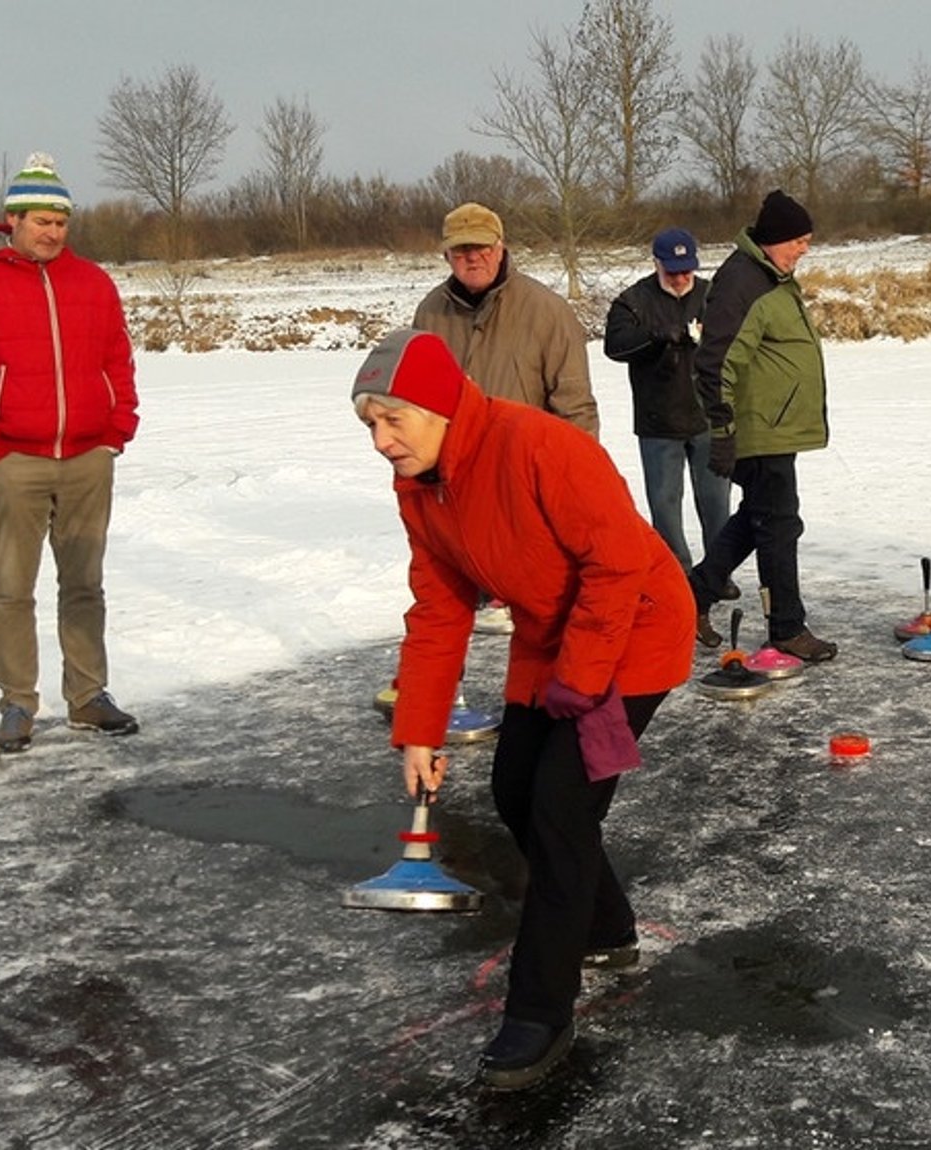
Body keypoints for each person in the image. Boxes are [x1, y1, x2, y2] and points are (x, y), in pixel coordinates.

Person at [352, 328, 691, 1091]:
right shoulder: (421, 485)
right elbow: (439, 611)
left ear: (438, 410)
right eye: (369, 424)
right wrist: (419, 729)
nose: (379, 442)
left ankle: (541, 1009)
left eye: (392, 420)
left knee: (561, 808)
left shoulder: (540, 446)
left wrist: (583, 677)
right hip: (550, 634)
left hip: (631, 627)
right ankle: (606, 928)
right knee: (513, 788)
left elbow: (618, 561)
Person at [0, 153, 141, 754]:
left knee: (84, 584)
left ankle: (88, 696)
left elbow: (116, 361)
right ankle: (18, 701)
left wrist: (115, 429)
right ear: (13, 220)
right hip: (13, 459)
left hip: (86, 457)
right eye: (40, 221)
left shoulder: (92, 282)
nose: (52, 232)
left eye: (61, 222)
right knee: (12, 586)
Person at [688, 189, 836, 661]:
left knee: (761, 520)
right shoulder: (744, 282)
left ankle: (694, 594)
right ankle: (787, 627)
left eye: (808, 240)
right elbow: (715, 362)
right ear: (772, 239)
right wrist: (724, 429)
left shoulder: (768, 276)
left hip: (774, 426)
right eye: (798, 240)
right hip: (757, 428)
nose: (804, 249)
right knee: (778, 524)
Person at [602, 227, 736, 594]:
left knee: (716, 502)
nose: (680, 278)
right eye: (672, 271)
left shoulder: (712, 296)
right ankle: (676, 574)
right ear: (657, 264)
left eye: (686, 270)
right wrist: (657, 335)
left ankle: (718, 572)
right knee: (664, 504)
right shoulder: (633, 301)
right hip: (658, 420)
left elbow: (740, 339)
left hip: (709, 415)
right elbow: (614, 346)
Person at [413, 201, 597, 435]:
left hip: (524, 459)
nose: (473, 257)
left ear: (500, 250)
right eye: (461, 249)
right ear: (446, 256)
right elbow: (418, 404)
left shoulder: (548, 310)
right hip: (455, 464)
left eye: (483, 247)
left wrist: (576, 467)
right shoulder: (429, 314)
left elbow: (575, 407)